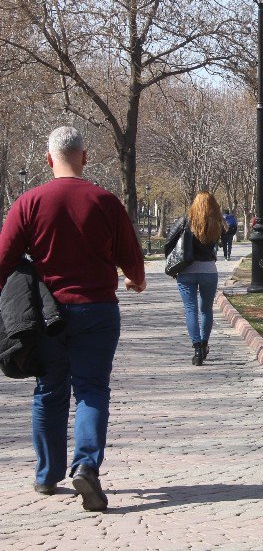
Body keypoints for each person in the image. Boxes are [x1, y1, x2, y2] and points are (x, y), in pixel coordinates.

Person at [0, 126, 146, 511]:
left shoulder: (28, 203)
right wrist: (135, 280)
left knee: (49, 391)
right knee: (92, 389)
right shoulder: (105, 201)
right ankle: (86, 466)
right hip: (98, 308)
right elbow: (132, 259)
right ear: (84, 157)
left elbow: (3, 260)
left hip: (47, 314)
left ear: (49, 159)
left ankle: (47, 475)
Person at [165, 192, 224, 366]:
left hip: (186, 270)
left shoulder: (185, 221)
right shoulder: (217, 223)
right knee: (206, 309)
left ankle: (197, 349)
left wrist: (172, 261)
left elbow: (169, 241)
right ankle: (205, 344)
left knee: (190, 309)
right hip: (209, 271)